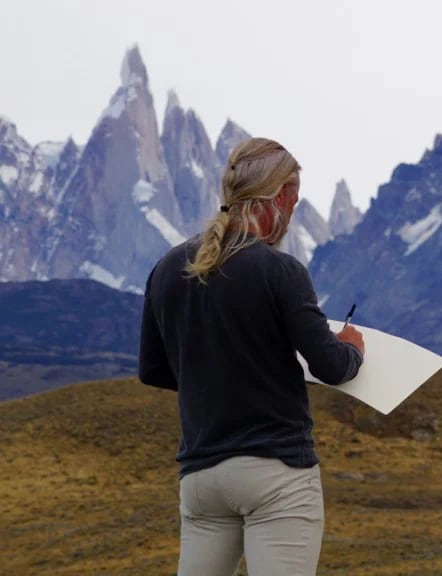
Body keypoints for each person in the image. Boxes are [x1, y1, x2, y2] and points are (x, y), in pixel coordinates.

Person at [138, 137, 364, 576]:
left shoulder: (166, 269)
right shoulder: (281, 271)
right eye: (294, 202)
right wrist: (352, 348)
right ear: (279, 197)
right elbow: (331, 367)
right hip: (276, 472)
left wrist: (218, 372)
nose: (292, 216)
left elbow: (153, 370)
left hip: (202, 477)